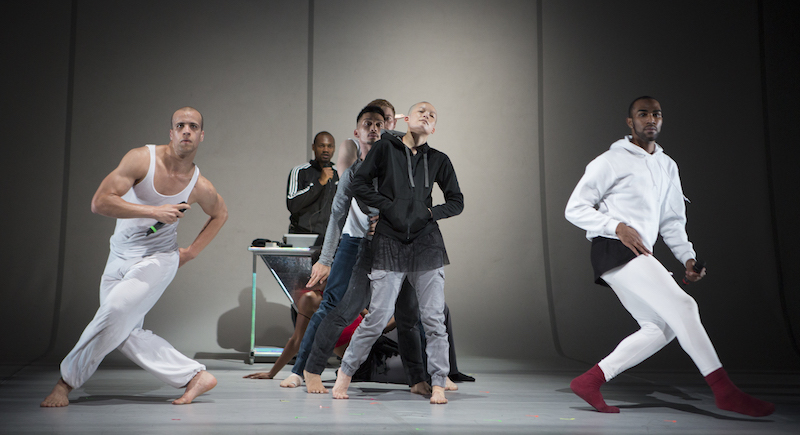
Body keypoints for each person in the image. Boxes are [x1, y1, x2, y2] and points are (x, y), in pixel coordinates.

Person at [564, 96, 774, 417]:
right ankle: (724, 391)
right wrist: (616, 226)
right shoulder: (610, 161)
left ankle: (590, 380)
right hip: (613, 247)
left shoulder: (668, 165)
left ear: (662, 120)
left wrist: (687, 259)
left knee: (660, 327)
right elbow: (574, 208)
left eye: (656, 114)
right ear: (629, 122)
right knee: (684, 306)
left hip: (637, 252)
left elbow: (672, 222)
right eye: (643, 114)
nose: (651, 119)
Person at [41, 107, 228, 407]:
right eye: (180, 125)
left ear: (201, 136)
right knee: (121, 330)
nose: (186, 131)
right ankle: (194, 377)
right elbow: (99, 202)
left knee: (113, 313)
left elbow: (221, 213)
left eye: (193, 127)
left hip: (158, 260)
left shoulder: (200, 186)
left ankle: (65, 384)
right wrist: (154, 211)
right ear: (171, 132)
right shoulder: (142, 159)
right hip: (118, 256)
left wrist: (190, 253)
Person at [280, 105, 429, 394]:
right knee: (337, 306)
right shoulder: (352, 167)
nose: (375, 128)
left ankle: (418, 378)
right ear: (357, 131)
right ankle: (306, 369)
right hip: (358, 243)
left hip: (396, 246)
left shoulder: (402, 161)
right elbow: (337, 217)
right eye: (368, 124)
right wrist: (325, 260)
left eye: (381, 123)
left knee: (409, 311)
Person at [334, 101, 464, 405]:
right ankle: (346, 372)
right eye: (422, 111)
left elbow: (457, 201)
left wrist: (430, 213)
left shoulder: (439, 159)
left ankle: (439, 383)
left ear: (434, 127)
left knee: (433, 318)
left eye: (432, 115)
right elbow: (359, 184)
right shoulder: (384, 149)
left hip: (426, 243)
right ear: (407, 119)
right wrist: (388, 207)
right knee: (377, 316)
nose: (427, 116)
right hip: (390, 241)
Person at [287, 131, 338, 244]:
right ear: (313, 147)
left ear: (334, 149)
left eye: (329, 146)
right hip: (302, 236)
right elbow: (292, 204)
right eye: (321, 146)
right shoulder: (300, 171)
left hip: (330, 239)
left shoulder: (340, 174)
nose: (326, 150)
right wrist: (319, 182)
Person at [336, 99, 398, 173]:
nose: (375, 127)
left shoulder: (399, 149)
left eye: (387, 118)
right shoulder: (352, 145)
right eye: (369, 122)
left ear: (394, 123)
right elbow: (347, 178)